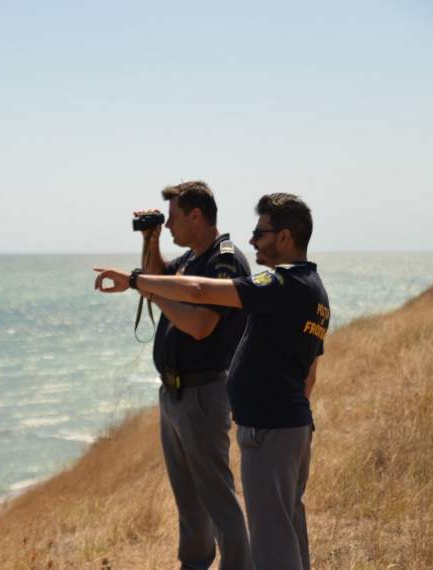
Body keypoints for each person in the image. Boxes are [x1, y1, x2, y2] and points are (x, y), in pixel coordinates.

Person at [95, 193, 329, 570]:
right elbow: (309, 375)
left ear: (284, 237)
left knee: (272, 546)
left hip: (269, 427)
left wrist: (136, 281)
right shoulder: (314, 288)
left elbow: (201, 296)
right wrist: (150, 242)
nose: (252, 241)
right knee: (286, 534)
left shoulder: (279, 283)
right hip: (285, 424)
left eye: (260, 232)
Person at [133, 181, 253, 570]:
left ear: (196, 216)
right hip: (174, 396)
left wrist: (151, 292)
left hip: (203, 393)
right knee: (189, 502)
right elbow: (157, 274)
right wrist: (150, 239)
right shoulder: (188, 259)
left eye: (171, 218)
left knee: (218, 500)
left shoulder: (226, 259)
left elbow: (201, 325)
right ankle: (195, 565)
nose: (168, 225)